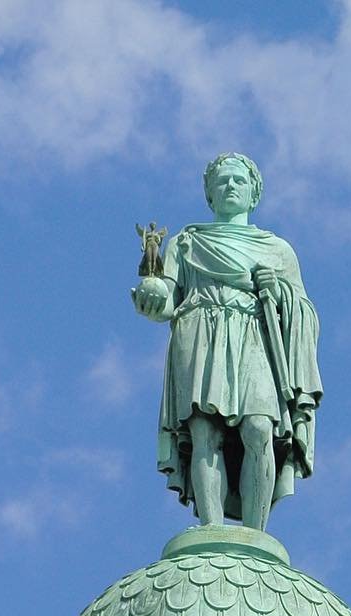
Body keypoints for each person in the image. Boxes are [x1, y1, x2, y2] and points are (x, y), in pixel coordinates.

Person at [131, 153, 322, 531]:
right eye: (222, 181)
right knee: (204, 430)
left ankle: (255, 532)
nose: (230, 186)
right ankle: (212, 526)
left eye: (238, 181)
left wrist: (279, 292)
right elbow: (168, 302)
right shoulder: (187, 242)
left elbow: (306, 316)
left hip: (253, 334)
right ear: (209, 195)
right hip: (199, 329)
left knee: (259, 428)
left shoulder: (278, 250)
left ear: (254, 195)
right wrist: (150, 298)